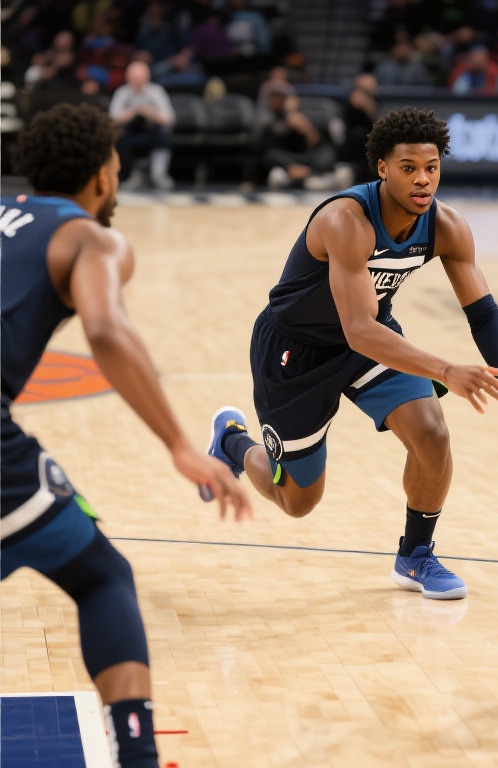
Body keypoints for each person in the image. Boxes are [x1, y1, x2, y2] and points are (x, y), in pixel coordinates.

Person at [200, 106, 498, 600]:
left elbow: (485, 314)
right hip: (297, 351)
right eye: (409, 168)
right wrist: (445, 369)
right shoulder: (345, 219)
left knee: (432, 433)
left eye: (431, 167)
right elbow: (358, 330)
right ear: (383, 168)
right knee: (298, 501)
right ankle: (233, 442)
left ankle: (415, 555)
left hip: (371, 339)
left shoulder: (447, 226)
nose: (422, 179)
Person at [1, 103, 252, 768]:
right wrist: (178, 444)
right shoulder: (90, 238)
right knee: (101, 577)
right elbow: (108, 330)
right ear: (103, 177)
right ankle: (136, 757)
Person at [108, 60, 176, 191]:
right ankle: (129, 176)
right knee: (119, 138)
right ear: (127, 78)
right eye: (134, 78)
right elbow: (112, 119)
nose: (137, 81)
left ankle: (158, 175)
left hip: (152, 132)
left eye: (140, 78)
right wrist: (133, 112)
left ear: (147, 77)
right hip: (129, 133)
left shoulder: (156, 91)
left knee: (163, 136)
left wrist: (151, 113)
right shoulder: (122, 92)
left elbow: (169, 119)